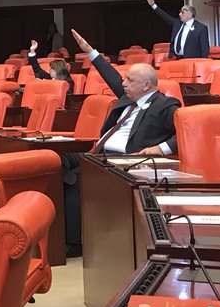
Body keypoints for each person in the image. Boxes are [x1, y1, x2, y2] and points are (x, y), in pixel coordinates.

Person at [63, 28, 180, 256]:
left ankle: (75, 242)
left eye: (130, 80)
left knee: (73, 182)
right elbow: (112, 76)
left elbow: (186, 130)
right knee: (53, 161)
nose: (124, 84)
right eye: (125, 79)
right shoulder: (129, 96)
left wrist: (160, 148)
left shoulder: (164, 105)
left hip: (123, 161)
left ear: (147, 85)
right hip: (98, 154)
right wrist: (90, 51)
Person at [144, 0, 209, 59]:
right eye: (180, 12)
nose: (180, 14)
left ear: (190, 14)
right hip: (177, 58)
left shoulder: (201, 28)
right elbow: (165, 16)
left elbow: (204, 48)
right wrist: (153, 5)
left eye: (182, 12)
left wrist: (204, 62)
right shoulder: (177, 23)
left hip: (193, 60)